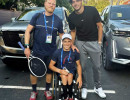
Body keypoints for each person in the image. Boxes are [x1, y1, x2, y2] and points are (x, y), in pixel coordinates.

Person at [24, 0, 63, 100]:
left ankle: (47, 90)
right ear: (45, 4)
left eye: (53, 4)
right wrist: (27, 47)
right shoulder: (37, 17)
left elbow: (62, 35)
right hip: (37, 51)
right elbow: (28, 31)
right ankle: (34, 91)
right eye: (49, 3)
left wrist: (70, 46)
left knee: (49, 72)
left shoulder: (58, 20)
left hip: (51, 52)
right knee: (34, 72)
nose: (52, 5)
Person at [68, 0, 106, 99]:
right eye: (73, 2)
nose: (75, 3)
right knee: (82, 66)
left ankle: (98, 87)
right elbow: (73, 31)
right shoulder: (71, 17)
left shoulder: (92, 10)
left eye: (77, 1)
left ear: (81, 1)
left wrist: (99, 42)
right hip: (80, 43)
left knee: (97, 66)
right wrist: (72, 44)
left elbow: (100, 26)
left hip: (94, 42)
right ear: (71, 4)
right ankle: (84, 86)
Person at [49, 34, 82, 100]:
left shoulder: (75, 52)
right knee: (64, 76)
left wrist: (80, 76)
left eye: (69, 41)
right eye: (65, 41)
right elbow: (50, 66)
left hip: (71, 71)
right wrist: (60, 71)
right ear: (62, 42)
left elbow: (78, 65)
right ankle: (65, 96)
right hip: (61, 71)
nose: (67, 43)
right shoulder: (57, 52)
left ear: (71, 42)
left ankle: (70, 95)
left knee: (69, 76)